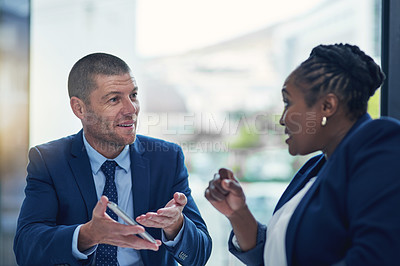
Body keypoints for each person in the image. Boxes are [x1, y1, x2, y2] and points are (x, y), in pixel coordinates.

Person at [205, 43, 400, 266]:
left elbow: (377, 257)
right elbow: (278, 257)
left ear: (327, 106)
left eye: (288, 102)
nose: (282, 118)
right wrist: (238, 213)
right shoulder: (315, 167)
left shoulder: (380, 143)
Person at [14, 53, 212, 266]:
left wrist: (177, 226)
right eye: (114, 99)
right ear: (79, 108)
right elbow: (27, 249)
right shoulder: (49, 160)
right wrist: (87, 235)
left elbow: (199, 256)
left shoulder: (166, 158)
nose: (131, 109)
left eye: (133, 95)